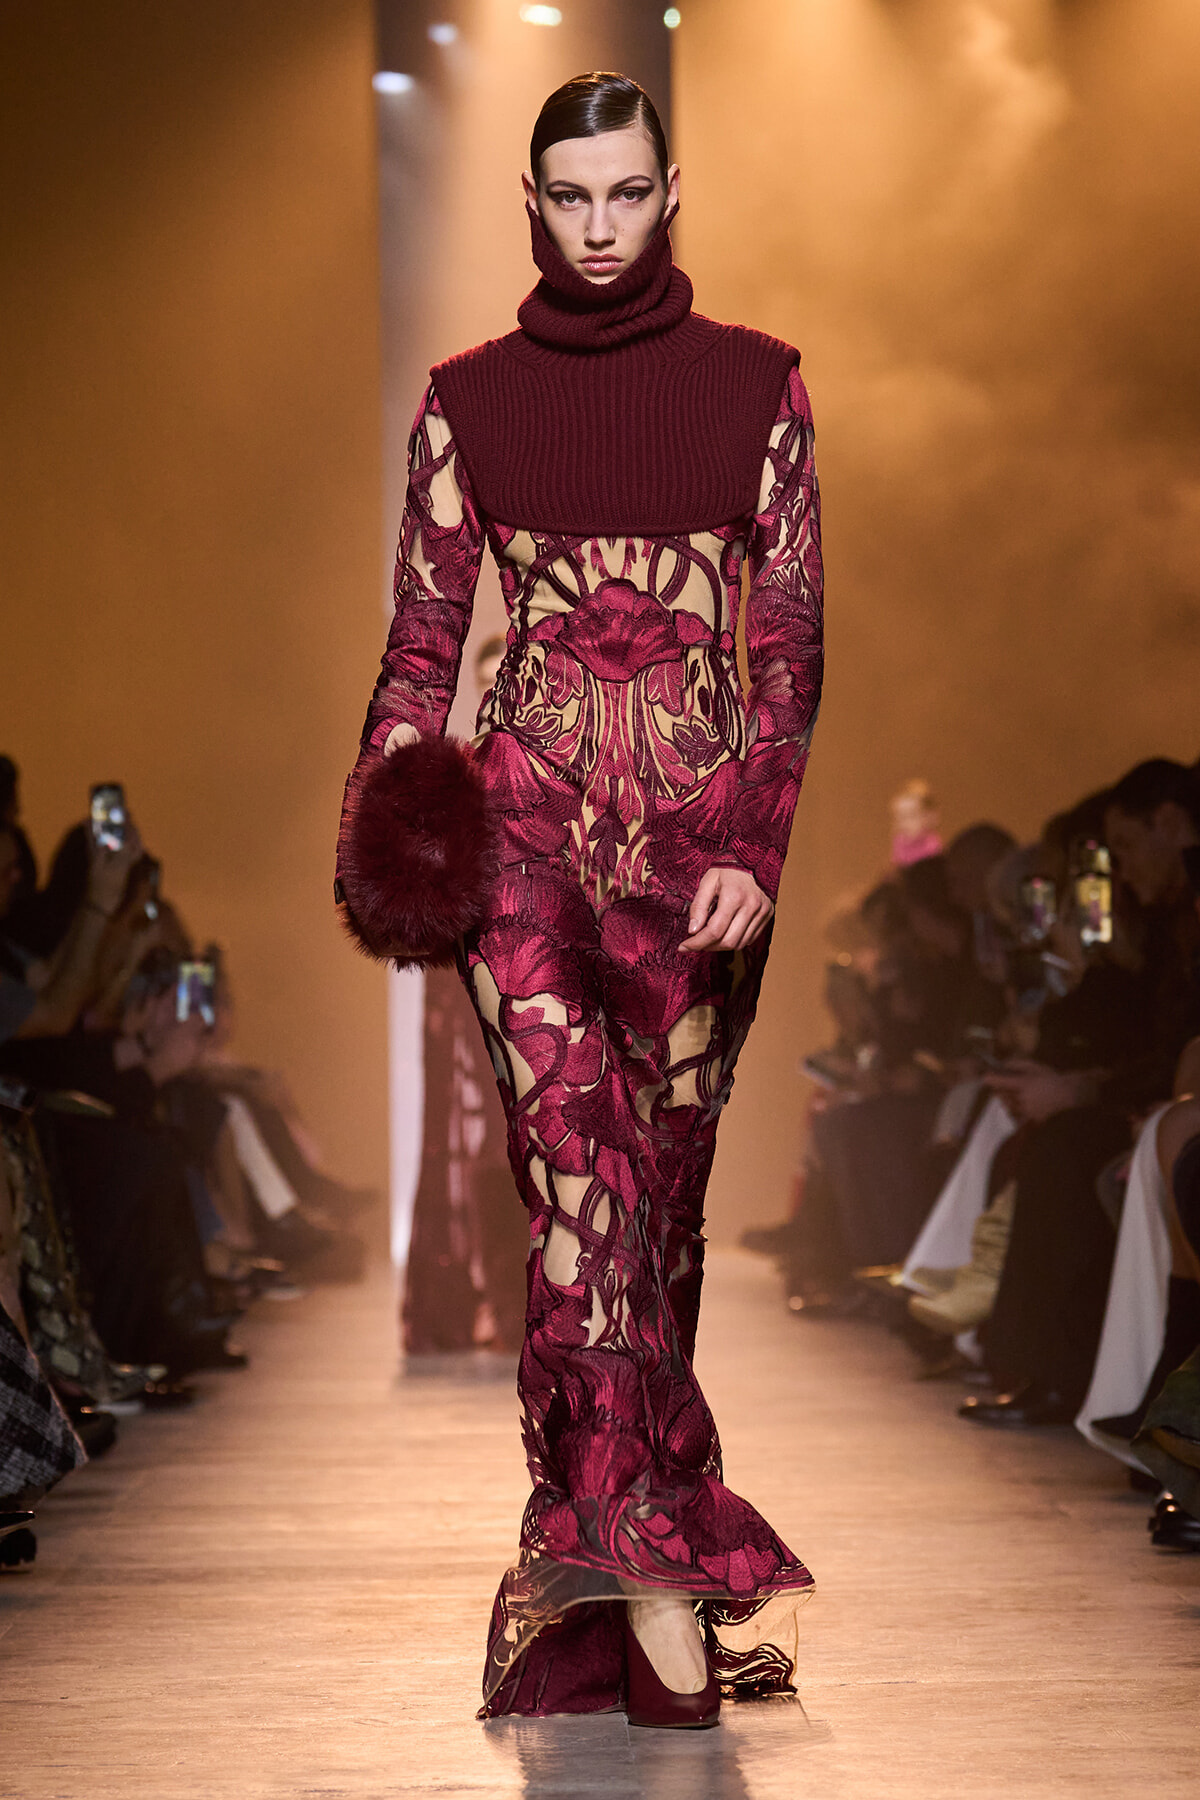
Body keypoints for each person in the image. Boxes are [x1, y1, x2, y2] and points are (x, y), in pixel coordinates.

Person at [343, 73, 823, 1727]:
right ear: (532, 206)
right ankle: (660, 1618)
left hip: (700, 868)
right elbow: (424, 643)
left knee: (662, 1223)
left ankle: (610, 1593)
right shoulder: (467, 400)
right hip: (528, 845)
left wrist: (756, 845)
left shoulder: (761, 386)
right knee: (578, 1217)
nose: (602, 228)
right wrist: (399, 831)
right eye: (572, 200)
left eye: (629, 195)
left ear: (671, 188)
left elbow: (789, 651)